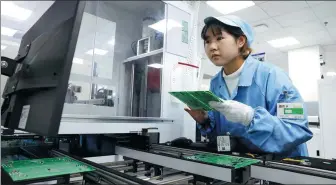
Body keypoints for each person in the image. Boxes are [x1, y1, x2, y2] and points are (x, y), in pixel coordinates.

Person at [185, 15, 313, 157]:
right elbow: (222, 132)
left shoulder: (273, 76)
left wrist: (250, 117)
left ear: (240, 41)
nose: (212, 47)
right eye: (207, 41)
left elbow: (297, 129)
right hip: (238, 167)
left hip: (280, 167)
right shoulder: (216, 83)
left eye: (219, 38)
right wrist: (205, 120)